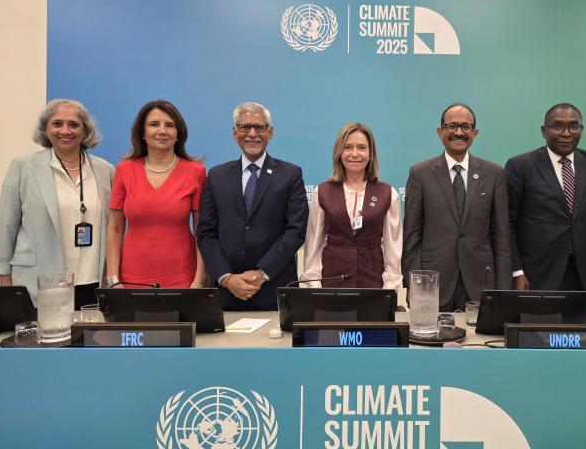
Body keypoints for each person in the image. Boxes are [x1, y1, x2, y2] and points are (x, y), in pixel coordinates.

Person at [0, 99, 114, 307]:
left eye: (74, 124)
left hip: (92, 281)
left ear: (86, 132)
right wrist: (3, 274)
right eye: (57, 124)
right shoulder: (23, 167)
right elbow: (7, 224)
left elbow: (114, 227)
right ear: (45, 130)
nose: (65, 131)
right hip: (38, 281)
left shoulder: (106, 171)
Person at [197, 102, 309, 310]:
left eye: (259, 127)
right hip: (226, 293)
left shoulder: (290, 174)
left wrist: (262, 273)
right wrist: (227, 278)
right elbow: (206, 233)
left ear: (271, 132)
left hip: (275, 290)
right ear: (234, 132)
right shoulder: (216, 176)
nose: (252, 134)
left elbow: (296, 231)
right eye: (244, 127)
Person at [402, 103, 512, 311]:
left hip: (482, 282)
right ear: (440, 132)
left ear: (475, 132)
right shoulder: (420, 173)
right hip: (434, 281)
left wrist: (504, 289)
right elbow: (412, 235)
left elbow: (502, 238)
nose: (459, 132)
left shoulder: (493, 173)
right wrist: (412, 283)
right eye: (452, 126)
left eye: (466, 127)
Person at [504, 103, 586, 295]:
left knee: (583, 325)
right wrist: (517, 271)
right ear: (543, 130)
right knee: (537, 326)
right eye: (557, 126)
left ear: (581, 130)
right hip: (536, 275)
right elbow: (507, 226)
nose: (566, 133)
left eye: (574, 126)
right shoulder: (520, 166)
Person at [106, 100, 207, 288]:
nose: (162, 131)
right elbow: (115, 229)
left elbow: (202, 230)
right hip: (130, 279)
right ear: (142, 133)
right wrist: (113, 279)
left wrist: (199, 280)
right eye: (154, 124)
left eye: (169, 125)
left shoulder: (196, 172)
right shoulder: (124, 170)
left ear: (178, 134)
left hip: (183, 278)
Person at [302, 122, 402, 289]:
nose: (354, 154)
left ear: (370, 153)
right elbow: (313, 247)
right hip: (332, 282)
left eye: (361, 147)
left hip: (373, 283)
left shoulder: (388, 194)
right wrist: (314, 287)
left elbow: (393, 251)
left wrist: (389, 290)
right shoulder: (322, 192)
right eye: (348, 147)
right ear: (339, 152)